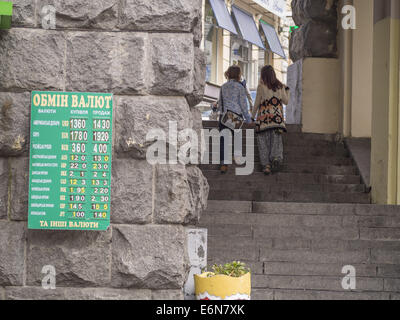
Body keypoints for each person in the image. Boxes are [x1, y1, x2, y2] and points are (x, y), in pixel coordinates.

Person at [251, 65, 290, 175]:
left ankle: (266, 165)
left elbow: (257, 103)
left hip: (263, 121)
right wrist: (287, 90)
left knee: (263, 143)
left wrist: (251, 117)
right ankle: (276, 158)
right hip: (277, 121)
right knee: (276, 141)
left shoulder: (261, 87)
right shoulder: (280, 87)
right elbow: (286, 101)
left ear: (263, 75)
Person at [217, 65, 251, 174]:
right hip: (236, 115)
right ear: (238, 75)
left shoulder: (223, 86)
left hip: (224, 115)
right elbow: (243, 104)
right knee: (236, 137)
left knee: (223, 140)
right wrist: (248, 119)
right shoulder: (240, 87)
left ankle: (223, 163)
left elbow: (220, 103)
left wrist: (217, 110)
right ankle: (236, 156)